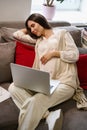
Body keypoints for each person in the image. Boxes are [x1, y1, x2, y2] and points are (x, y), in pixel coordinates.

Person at [8, 13, 87, 130]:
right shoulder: (39, 41)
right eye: (30, 28)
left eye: (34, 25)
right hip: (47, 83)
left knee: (36, 100)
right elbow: (16, 34)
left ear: (41, 20)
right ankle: (48, 116)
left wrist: (54, 53)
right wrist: (29, 28)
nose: (32, 30)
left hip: (64, 83)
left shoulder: (62, 33)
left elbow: (74, 56)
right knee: (13, 87)